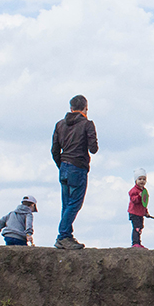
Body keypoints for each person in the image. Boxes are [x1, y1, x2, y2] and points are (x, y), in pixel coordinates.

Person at [51, 94, 98, 249]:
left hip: (64, 166)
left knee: (66, 204)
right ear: (86, 108)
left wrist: (62, 164)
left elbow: (54, 150)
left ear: (71, 108)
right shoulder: (87, 124)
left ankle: (66, 235)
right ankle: (63, 235)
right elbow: (94, 149)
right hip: (78, 166)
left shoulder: (59, 124)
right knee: (75, 204)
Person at [128, 168, 149, 249]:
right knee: (136, 227)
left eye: (144, 179)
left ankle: (139, 242)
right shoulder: (134, 191)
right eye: (140, 179)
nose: (142, 181)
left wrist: (145, 212)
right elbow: (134, 200)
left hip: (140, 213)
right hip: (134, 213)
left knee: (140, 227)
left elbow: (144, 203)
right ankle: (135, 243)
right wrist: (138, 196)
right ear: (136, 180)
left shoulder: (144, 191)